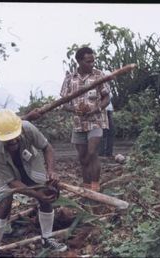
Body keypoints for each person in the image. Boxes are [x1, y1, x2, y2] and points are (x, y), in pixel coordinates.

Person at [0, 109, 67, 257]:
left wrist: (51, 170)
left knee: (47, 192)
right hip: (9, 177)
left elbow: (47, 148)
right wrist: (35, 194)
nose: (13, 141)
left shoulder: (28, 128)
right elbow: (12, 182)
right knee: (5, 204)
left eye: (15, 137)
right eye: (8, 139)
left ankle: (47, 238)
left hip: (30, 165)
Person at [60, 46, 110, 193]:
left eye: (93, 61)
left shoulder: (99, 75)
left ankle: (95, 186)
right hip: (78, 124)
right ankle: (87, 188)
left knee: (92, 152)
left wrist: (97, 108)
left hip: (96, 120)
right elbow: (63, 102)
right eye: (88, 61)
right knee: (82, 157)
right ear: (79, 61)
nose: (92, 64)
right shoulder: (70, 78)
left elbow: (106, 97)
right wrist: (75, 110)